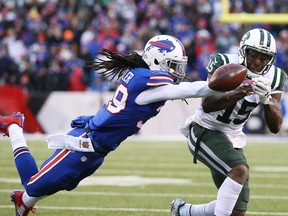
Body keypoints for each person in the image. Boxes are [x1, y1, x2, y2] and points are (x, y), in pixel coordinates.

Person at [0, 35, 223, 216]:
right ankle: (14, 127)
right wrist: (222, 84)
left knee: (58, 184)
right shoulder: (151, 86)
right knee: (33, 185)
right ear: (157, 61)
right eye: (173, 66)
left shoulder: (143, 78)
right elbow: (189, 90)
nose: (178, 72)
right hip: (83, 145)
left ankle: (22, 203)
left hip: (97, 150)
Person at [170, 28, 287, 216]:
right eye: (253, 55)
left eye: (263, 58)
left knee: (237, 211)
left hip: (233, 138)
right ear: (243, 51)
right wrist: (242, 90)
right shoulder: (223, 62)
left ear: (270, 59)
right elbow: (208, 104)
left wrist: (267, 100)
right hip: (204, 129)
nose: (257, 62)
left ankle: (184, 211)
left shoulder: (276, 77)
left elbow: (275, 127)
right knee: (239, 170)